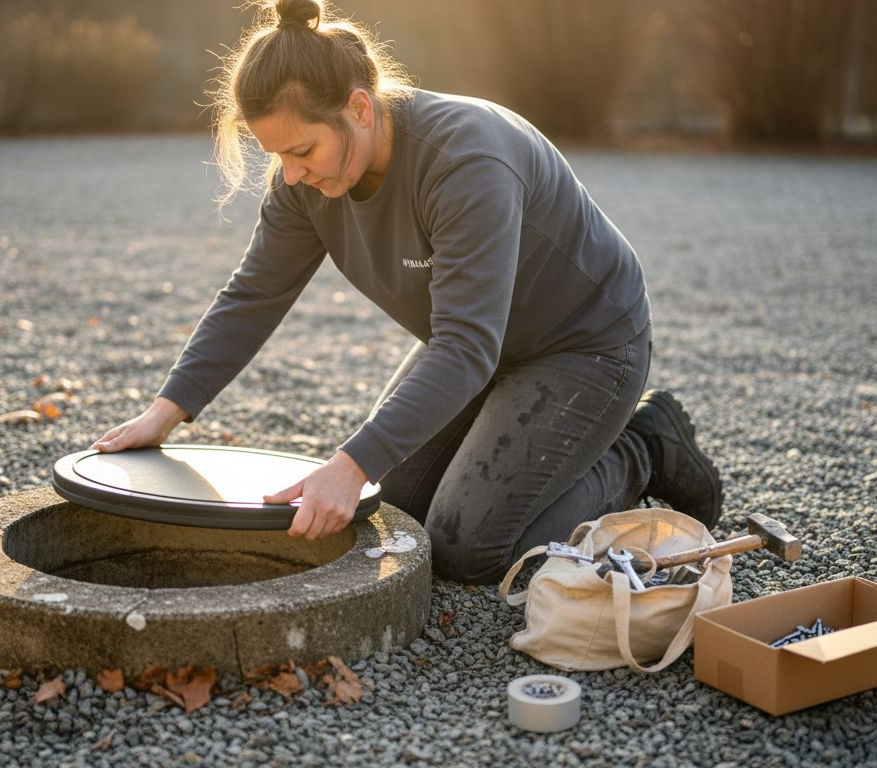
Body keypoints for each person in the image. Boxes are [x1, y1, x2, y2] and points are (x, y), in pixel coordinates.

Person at [92, 0, 722, 585]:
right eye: (276, 155)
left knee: (467, 546)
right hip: (477, 344)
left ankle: (645, 446)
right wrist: (165, 411)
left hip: (583, 346)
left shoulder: (466, 161)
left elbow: (467, 345)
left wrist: (347, 464)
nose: (291, 174)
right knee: (394, 513)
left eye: (303, 149)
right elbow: (254, 294)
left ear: (361, 108)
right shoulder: (303, 182)